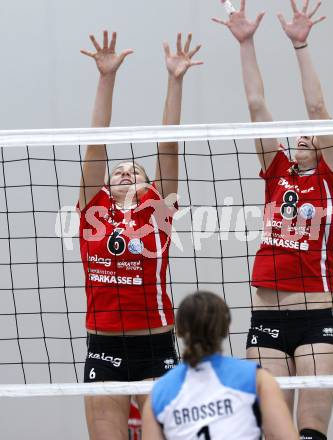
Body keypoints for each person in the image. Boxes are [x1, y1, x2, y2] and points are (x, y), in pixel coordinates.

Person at [213, 1, 333, 439]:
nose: (304, 134)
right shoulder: (278, 173)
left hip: (314, 318)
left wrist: (300, 44)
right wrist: (246, 42)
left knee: (310, 432)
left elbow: (317, 106)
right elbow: (256, 105)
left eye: (317, 136)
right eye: (302, 134)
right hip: (264, 319)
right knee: (270, 433)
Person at [78, 30, 202, 440]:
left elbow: (169, 146)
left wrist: (175, 80)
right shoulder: (93, 211)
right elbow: (95, 147)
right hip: (104, 346)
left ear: (150, 185)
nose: (126, 171)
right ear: (106, 186)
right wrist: (105, 78)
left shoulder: (157, 215)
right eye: (120, 170)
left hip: (155, 345)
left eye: (137, 170)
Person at [143, 291, 299, 440]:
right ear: (226, 329)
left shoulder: (158, 393)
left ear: (179, 331)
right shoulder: (256, 378)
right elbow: (283, 436)